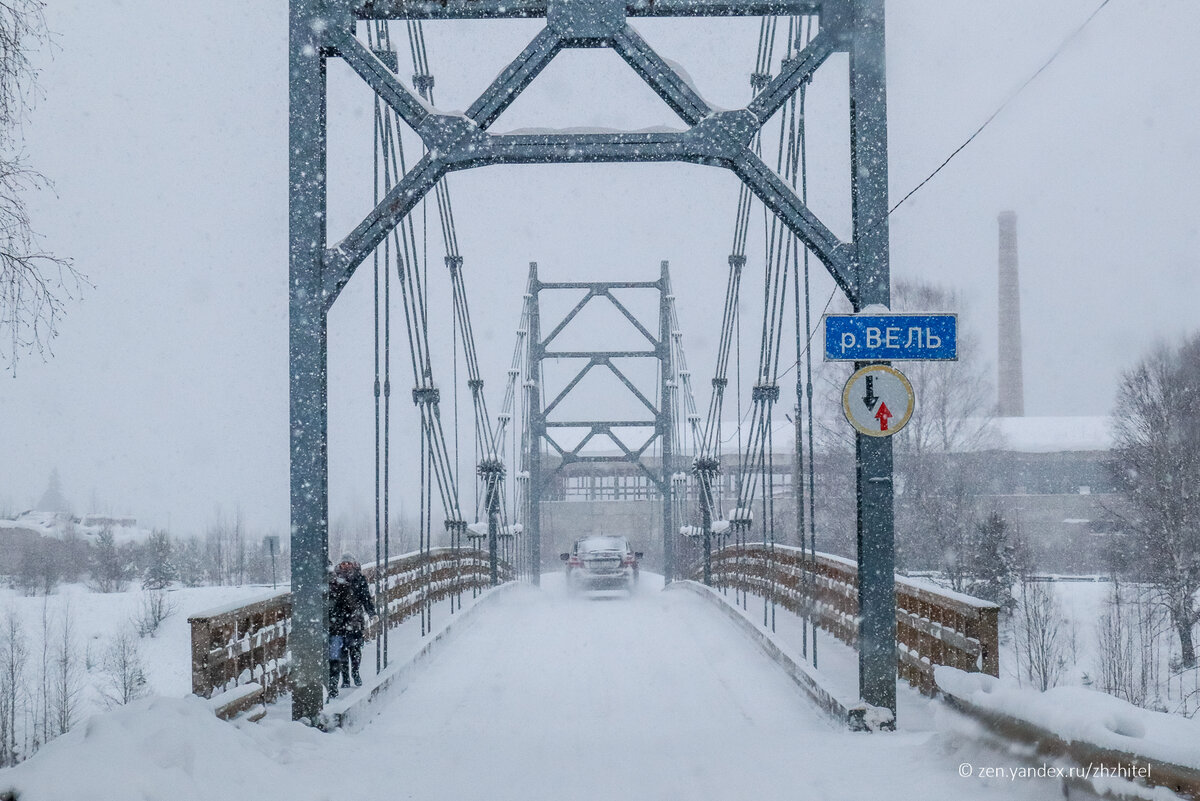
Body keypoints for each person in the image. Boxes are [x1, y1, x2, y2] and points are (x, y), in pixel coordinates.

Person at [328, 552, 377, 698]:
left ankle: (355, 672)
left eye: (349, 563)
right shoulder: (334, 579)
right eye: (344, 563)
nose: (346, 565)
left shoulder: (359, 579)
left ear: (353, 564)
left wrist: (371, 612)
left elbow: (365, 598)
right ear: (340, 565)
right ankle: (345, 679)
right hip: (338, 622)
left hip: (354, 620)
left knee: (355, 649)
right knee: (340, 652)